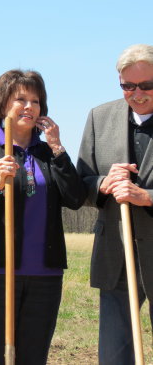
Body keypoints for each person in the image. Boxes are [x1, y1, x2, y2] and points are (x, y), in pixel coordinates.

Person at [0, 70, 86, 365]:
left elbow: (75, 198)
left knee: (34, 358)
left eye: (36, 100)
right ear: (2, 104)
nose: (29, 106)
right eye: (21, 99)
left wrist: (58, 148)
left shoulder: (48, 153)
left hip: (45, 276)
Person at [77, 44, 153, 364]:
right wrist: (102, 184)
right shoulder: (99, 116)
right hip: (116, 252)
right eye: (128, 86)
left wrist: (147, 197)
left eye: (147, 85)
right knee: (114, 351)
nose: (137, 94)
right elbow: (80, 183)